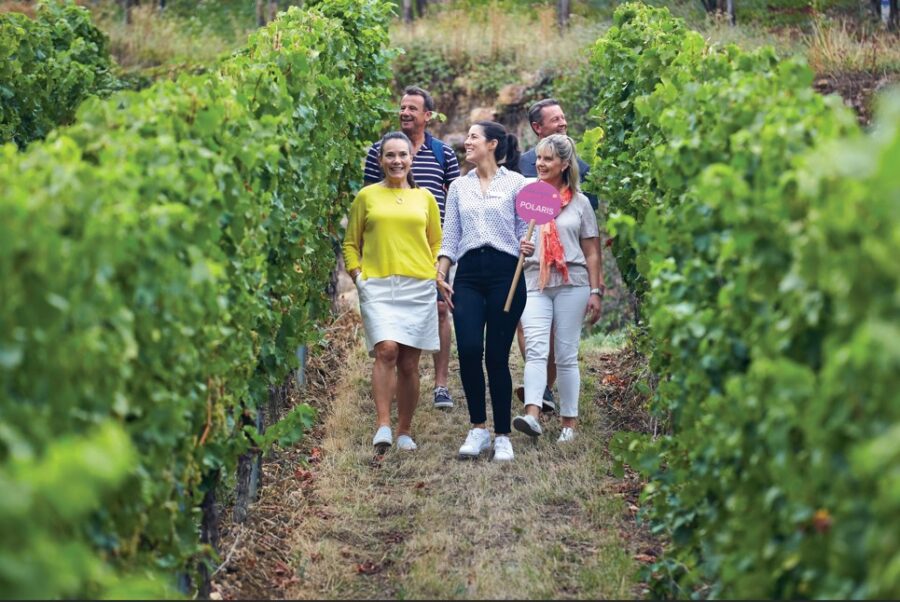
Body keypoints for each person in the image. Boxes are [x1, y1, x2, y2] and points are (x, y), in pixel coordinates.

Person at [344, 131, 443, 452]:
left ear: (411, 159)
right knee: (386, 350)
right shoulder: (366, 196)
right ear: (380, 159)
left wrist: (437, 273)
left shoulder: (424, 198)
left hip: (418, 287)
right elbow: (350, 243)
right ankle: (383, 425)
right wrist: (358, 275)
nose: (396, 161)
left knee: (410, 364)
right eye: (390, 155)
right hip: (378, 286)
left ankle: (404, 430)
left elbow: (437, 242)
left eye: (402, 155)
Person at [364, 86, 461, 410]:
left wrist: (446, 249)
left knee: (441, 311)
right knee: (391, 333)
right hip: (392, 253)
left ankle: (441, 384)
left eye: (412, 108)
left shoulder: (443, 153)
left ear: (427, 115)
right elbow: (368, 200)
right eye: (402, 107)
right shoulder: (381, 149)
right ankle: (396, 382)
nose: (405, 112)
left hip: (434, 246)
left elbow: (455, 196)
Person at [436, 121, 527, 462]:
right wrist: (442, 273)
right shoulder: (458, 187)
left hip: (507, 274)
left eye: (473, 136)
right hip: (469, 274)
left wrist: (527, 246)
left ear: (492, 144)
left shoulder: (517, 183)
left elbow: (524, 231)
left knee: (496, 357)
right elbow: (450, 237)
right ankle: (478, 428)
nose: (467, 141)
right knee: (471, 350)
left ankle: (502, 434)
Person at [513, 134, 604, 443]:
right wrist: (522, 246)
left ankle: (569, 424)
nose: (540, 163)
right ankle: (532, 415)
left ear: (565, 164)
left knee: (565, 353)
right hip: (535, 279)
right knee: (537, 349)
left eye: (548, 159)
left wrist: (596, 291)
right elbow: (516, 235)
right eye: (539, 157)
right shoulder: (529, 196)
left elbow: (592, 251)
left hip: (572, 282)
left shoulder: (580, 203)